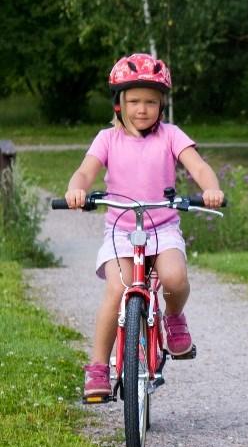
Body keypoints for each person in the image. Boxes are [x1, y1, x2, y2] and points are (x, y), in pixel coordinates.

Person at [64, 53, 223, 404]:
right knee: (117, 289)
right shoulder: (107, 139)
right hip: (121, 229)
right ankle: (98, 367)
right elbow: (85, 171)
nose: (142, 108)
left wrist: (210, 188)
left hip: (162, 225)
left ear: (161, 104)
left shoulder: (171, 135)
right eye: (134, 101)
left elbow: (199, 167)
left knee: (174, 278)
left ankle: (175, 317)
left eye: (151, 101)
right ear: (119, 104)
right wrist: (77, 189)